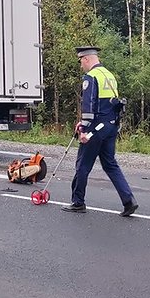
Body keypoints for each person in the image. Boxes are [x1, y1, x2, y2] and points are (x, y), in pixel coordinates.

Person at [62, 46, 138, 217]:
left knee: (83, 165)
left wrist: (83, 130)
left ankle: (78, 202)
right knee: (110, 164)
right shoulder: (110, 76)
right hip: (111, 126)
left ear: (87, 59)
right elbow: (108, 105)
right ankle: (129, 201)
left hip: (95, 129)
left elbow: (88, 106)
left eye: (81, 61)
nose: (81, 65)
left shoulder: (91, 77)